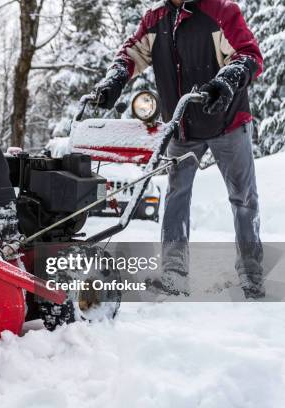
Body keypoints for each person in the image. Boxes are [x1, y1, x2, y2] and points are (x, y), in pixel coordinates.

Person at [92, 0, 264, 298]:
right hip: (182, 126)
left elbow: (249, 56)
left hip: (228, 121)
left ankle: (251, 273)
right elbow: (130, 54)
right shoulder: (155, 20)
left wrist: (224, 82)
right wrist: (115, 81)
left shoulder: (221, 11)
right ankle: (174, 273)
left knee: (243, 197)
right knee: (175, 197)